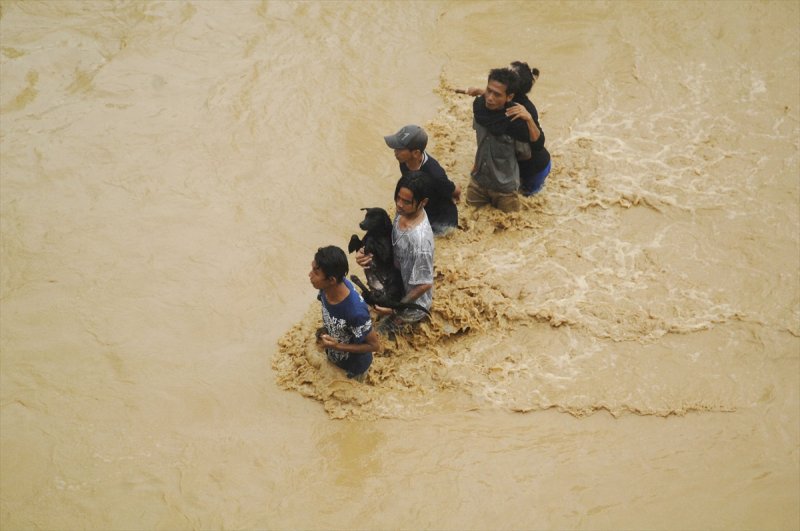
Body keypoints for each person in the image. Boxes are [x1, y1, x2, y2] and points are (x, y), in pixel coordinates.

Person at [356, 172, 434, 336]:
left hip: (409, 306)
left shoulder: (421, 242)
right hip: (393, 284)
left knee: (382, 338)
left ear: (423, 202)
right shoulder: (403, 213)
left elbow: (425, 283)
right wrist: (365, 252)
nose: (399, 204)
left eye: (406, 201)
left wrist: (394, 307)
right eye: (398, 197)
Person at [459, 62, 549, 197]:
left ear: (510, 95)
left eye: (497, 94)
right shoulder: (496, 101)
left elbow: (537, 144)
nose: (491, 98)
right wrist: (482, 92)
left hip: (533, 168)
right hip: (516, 163)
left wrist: (529, 119)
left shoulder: (520, 112)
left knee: (527, 199)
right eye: (490, 92)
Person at [309, 245, 379, 380]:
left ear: (331, 280)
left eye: (315, 273)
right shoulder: (325, 289)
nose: (310, 275)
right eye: (312, 269)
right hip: (333, 355)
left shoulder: (356, 313)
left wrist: (337, 346)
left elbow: (374, 345)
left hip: (353, 369)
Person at [384, 124, 460, 236]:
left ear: (416, 153)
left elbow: (455, 191)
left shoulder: (435, 175)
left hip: (441, 221)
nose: (395, 151)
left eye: (400, 149)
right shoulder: (404, 161)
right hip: (422, 210)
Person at [510, 61, 551, 195]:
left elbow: (538, 143)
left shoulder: (519, 109)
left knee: (528, 202)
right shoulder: (512, 98)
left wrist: (528, 119)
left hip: (534, 171)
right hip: (537, 165)